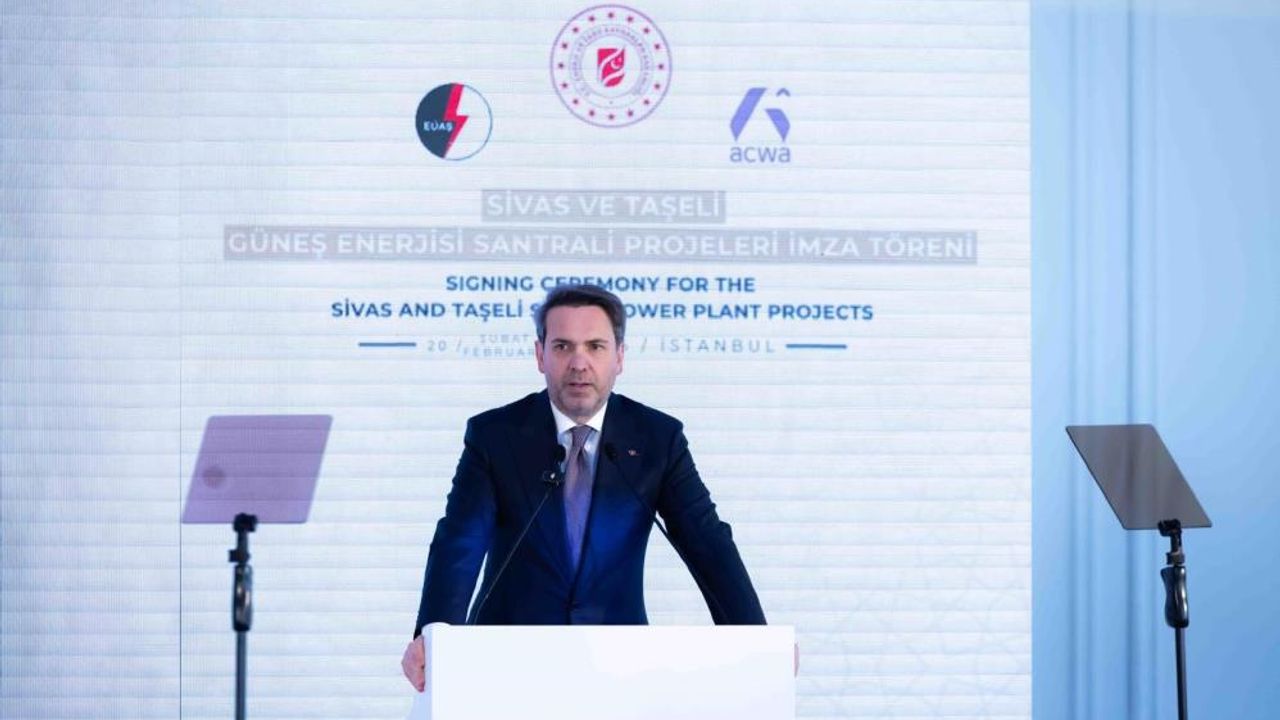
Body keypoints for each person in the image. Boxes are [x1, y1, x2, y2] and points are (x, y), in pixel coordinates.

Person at [400, 283, 765, 690]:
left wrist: (756, 640)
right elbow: (461, 543)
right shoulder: (494, 436)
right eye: (562, 347)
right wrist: (434, 636)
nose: (579, 363)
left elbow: (706, 540)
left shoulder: (658, 438)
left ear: (619, 357)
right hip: (507, 663)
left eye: (595, 346)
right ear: (540, 355)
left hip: (619, 666)